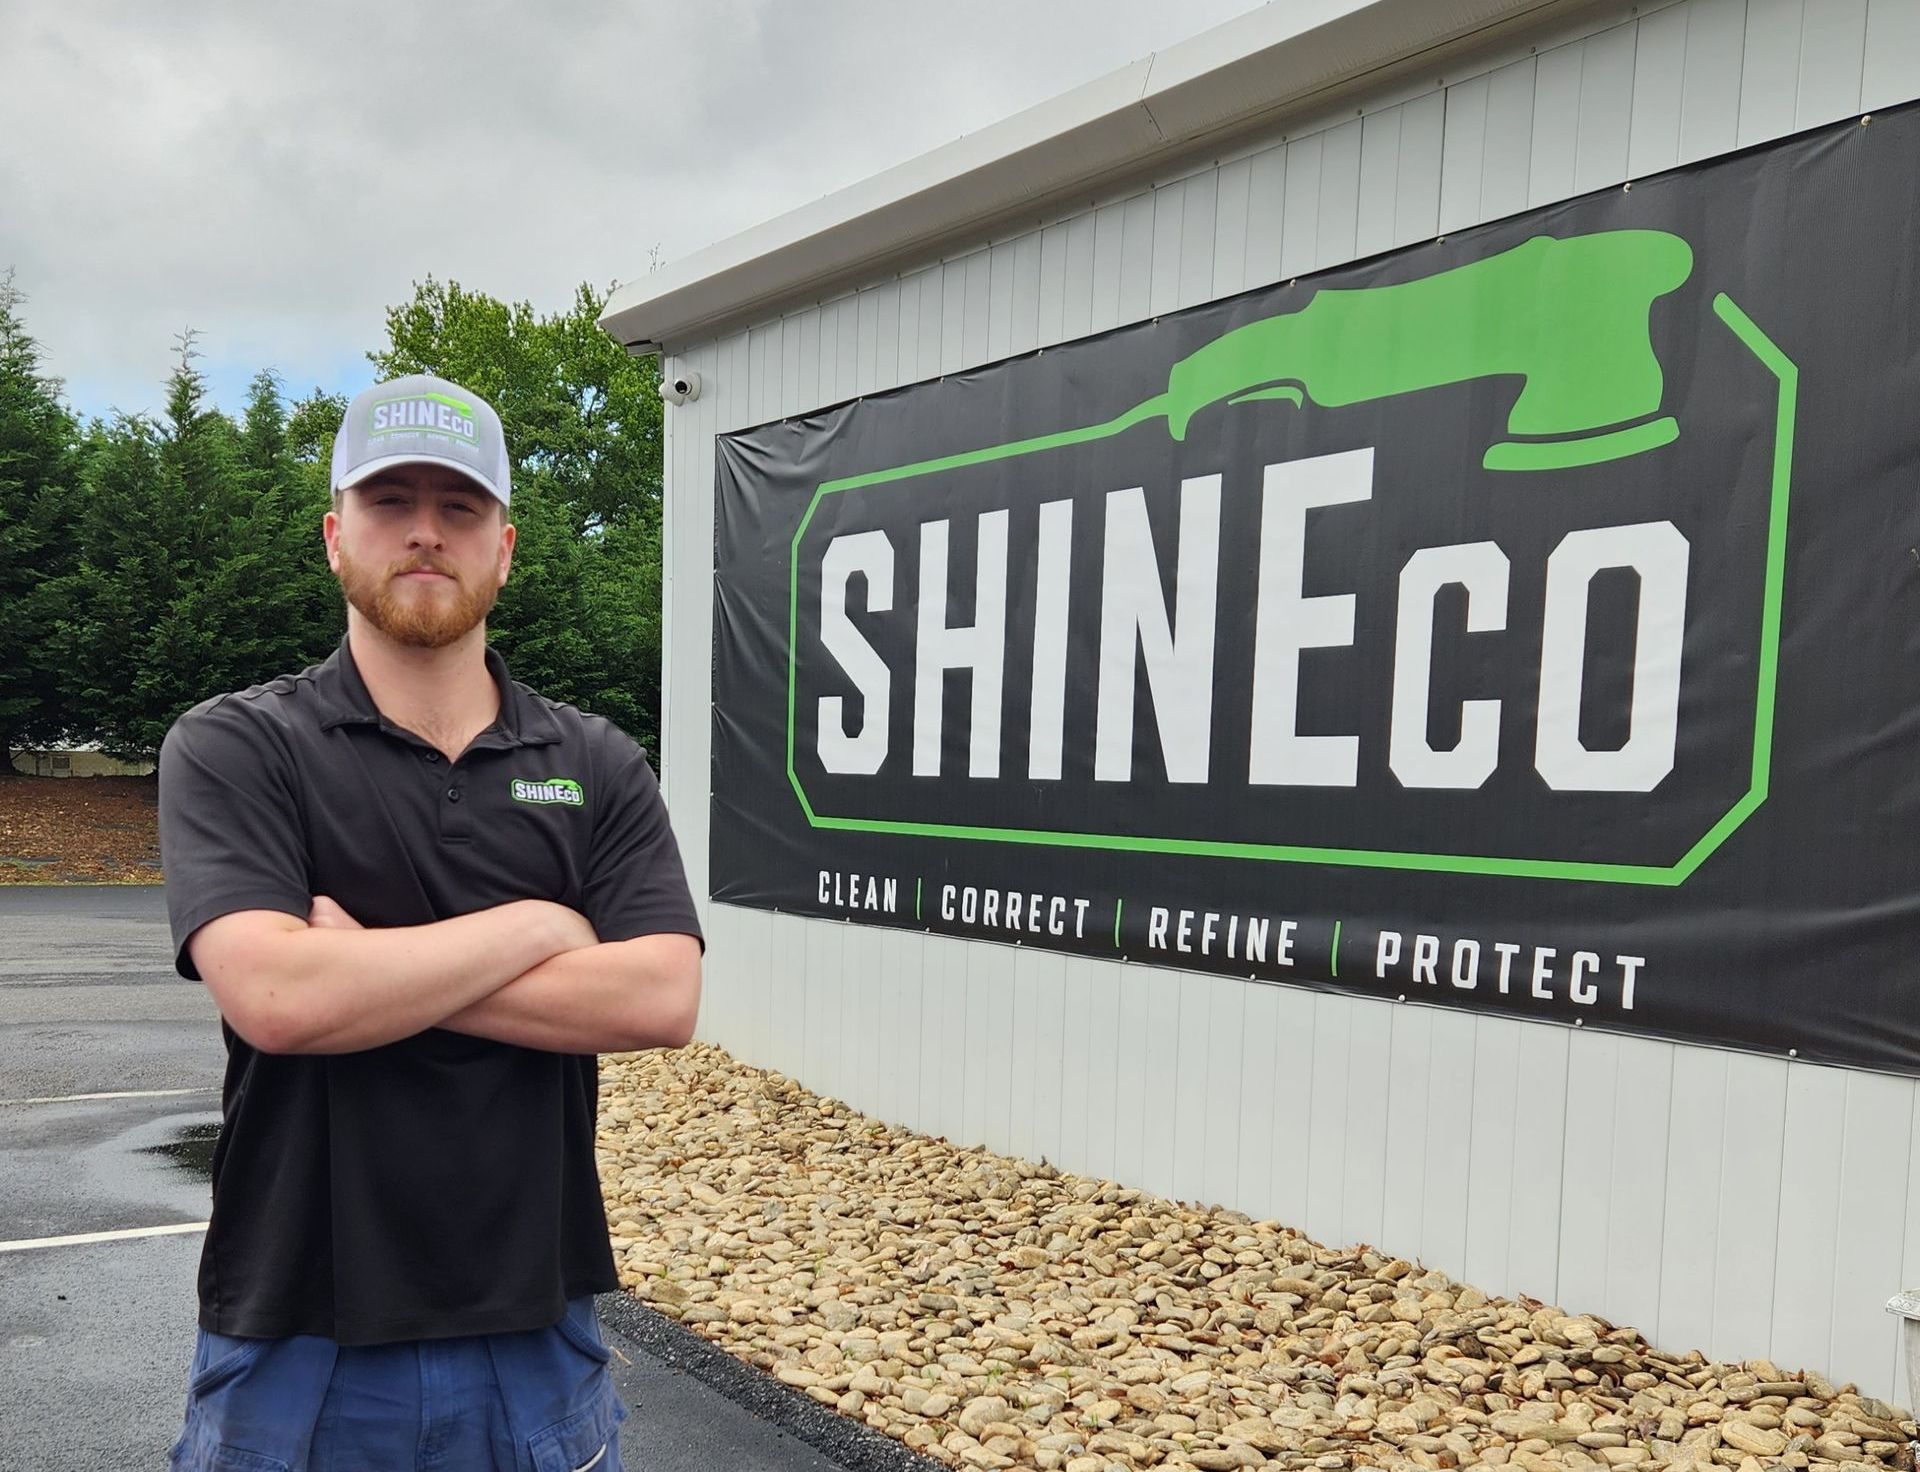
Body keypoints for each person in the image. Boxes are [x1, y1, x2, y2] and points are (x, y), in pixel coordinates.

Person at [157, 372, 702, 1472]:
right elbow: (279, 997)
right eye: (389, 501)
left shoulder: (594, 760)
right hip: (294, 1331)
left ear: (504, 548)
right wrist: (540, 925)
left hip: (534, 1329)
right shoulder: (239, 746)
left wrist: (365, 966)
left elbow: (660, 997)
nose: (424, 531)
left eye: (459, 506)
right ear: (334, 537)